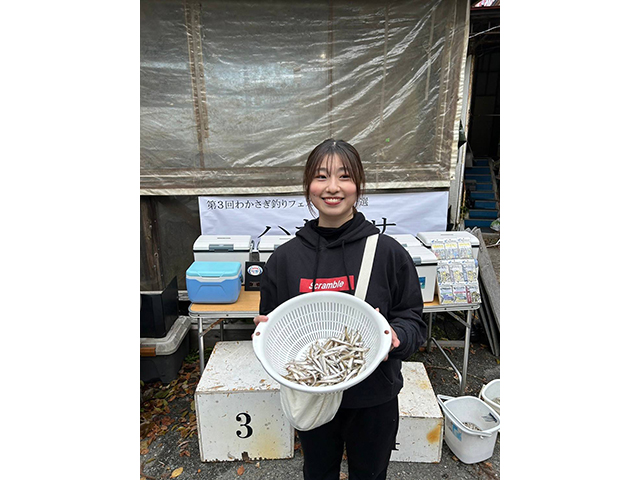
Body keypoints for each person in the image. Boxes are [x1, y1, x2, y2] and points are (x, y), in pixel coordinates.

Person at [254, 138, 426, 480]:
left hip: (374, 396)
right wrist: (263, 330)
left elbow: (413, 321)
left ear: (358, 186)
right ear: (308, 186)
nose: (332, 187)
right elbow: (270, 324)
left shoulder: (388, 253)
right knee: (318, 472)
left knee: (371, 474)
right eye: (321, 176)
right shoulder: (285, 259)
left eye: (344, 176)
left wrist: (396, 336)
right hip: (311, 395)